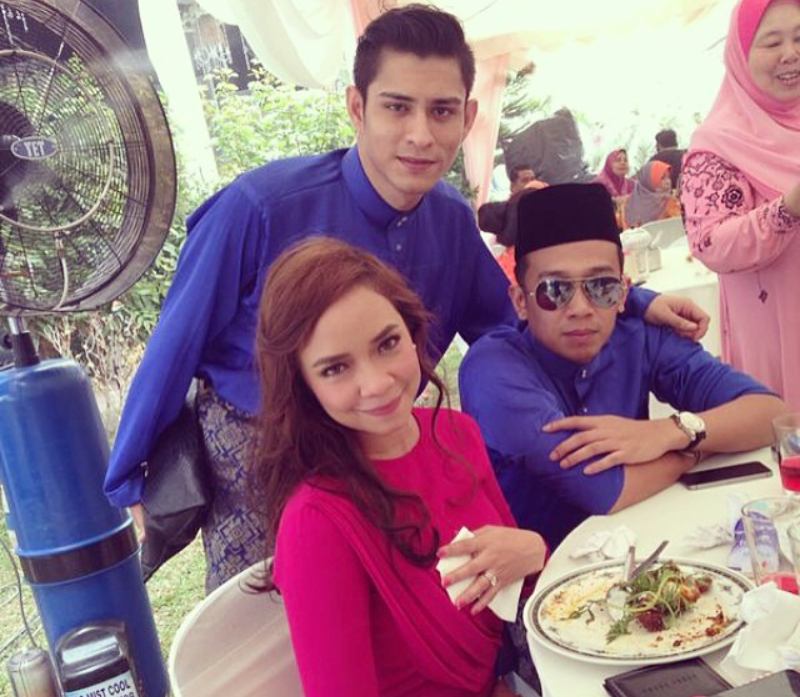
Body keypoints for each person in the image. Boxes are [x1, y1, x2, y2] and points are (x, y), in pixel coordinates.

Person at [104, 4, 709, 592]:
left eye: (441, 110)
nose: (421, 135)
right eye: (397, 107)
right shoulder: (260, 207)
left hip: (385, 435)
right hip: (261, 447)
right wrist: (130, 479)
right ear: (357, 107)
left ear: (467, 117)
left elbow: (517, 310)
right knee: (268, 624)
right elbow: (175, 343)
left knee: (394, 604)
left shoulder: (448, 217)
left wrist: (630, 301)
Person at [252, 237, 554, 697]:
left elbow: (512, 585)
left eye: (387, 344)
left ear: (412, 332)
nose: (376, 383)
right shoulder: (317, 522)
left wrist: (536, 550)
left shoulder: (457, 435)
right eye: (335, 368)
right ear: (303, 385)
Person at [459, 183, 786, 550]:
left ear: (623, 293)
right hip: (543, 573)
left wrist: (669, 432)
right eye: (555, 290)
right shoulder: (494, 369)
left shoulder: (638, 337)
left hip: (645, 548)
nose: (580, 308)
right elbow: (605, 490)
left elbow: (770, 414)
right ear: (521, 301)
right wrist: (696, 448)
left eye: (602, 287)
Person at [681, 0, 800, 408]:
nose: (791, 54)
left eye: (799, 38)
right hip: (780, 333)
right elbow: (710, 243)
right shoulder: (718, 144)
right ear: (740, 53)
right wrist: (787, 209)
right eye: (772, 43)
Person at [622, 161, 680, 228]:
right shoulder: (628, 202)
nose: (668, 181)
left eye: (668, 177)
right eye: (662, 178)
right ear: (649, 180)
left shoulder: (670, 202)